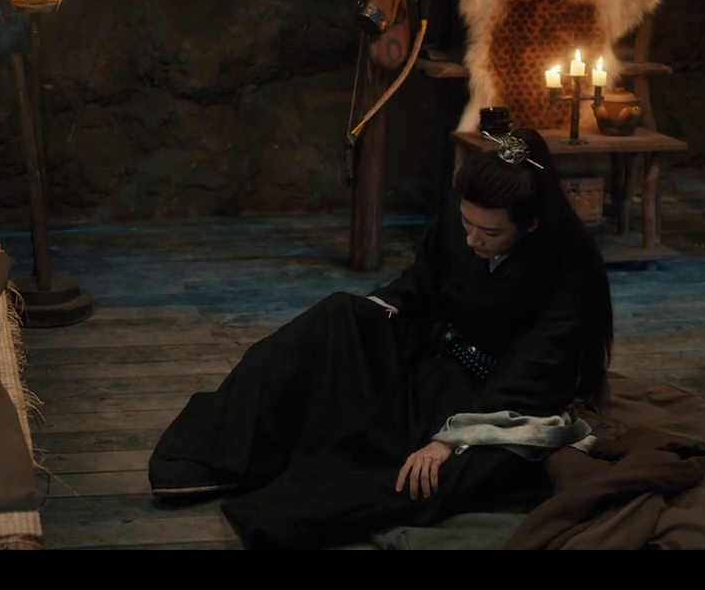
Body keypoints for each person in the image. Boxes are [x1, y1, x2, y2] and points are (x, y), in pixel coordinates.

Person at [147, 128, 614, 550]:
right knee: (340, 316)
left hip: (502, 402)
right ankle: (219, 452)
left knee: (433, 472)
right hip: (434, 355)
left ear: (530, 224)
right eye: (467, 223)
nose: (473, 240)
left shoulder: (566, 269)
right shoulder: (462, 225)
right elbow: (421, 285)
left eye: (491, 233)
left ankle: (295, 500)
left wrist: (449, 439)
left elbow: (534, 366)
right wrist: (380, 312)